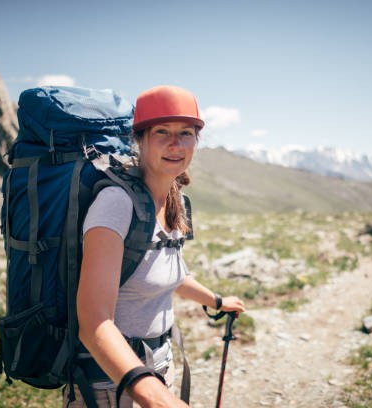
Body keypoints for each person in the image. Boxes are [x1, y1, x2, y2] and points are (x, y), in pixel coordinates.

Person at [64, 85, 246, 407]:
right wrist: (153, 395)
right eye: (162, 132)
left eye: (186, 133)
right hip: (111, 383)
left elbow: (168, 273)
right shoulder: (116, 204)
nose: (176, 144)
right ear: (140, 138)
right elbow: (93, 322)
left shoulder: (173, 200)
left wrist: (217, 301)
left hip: (159, 366)